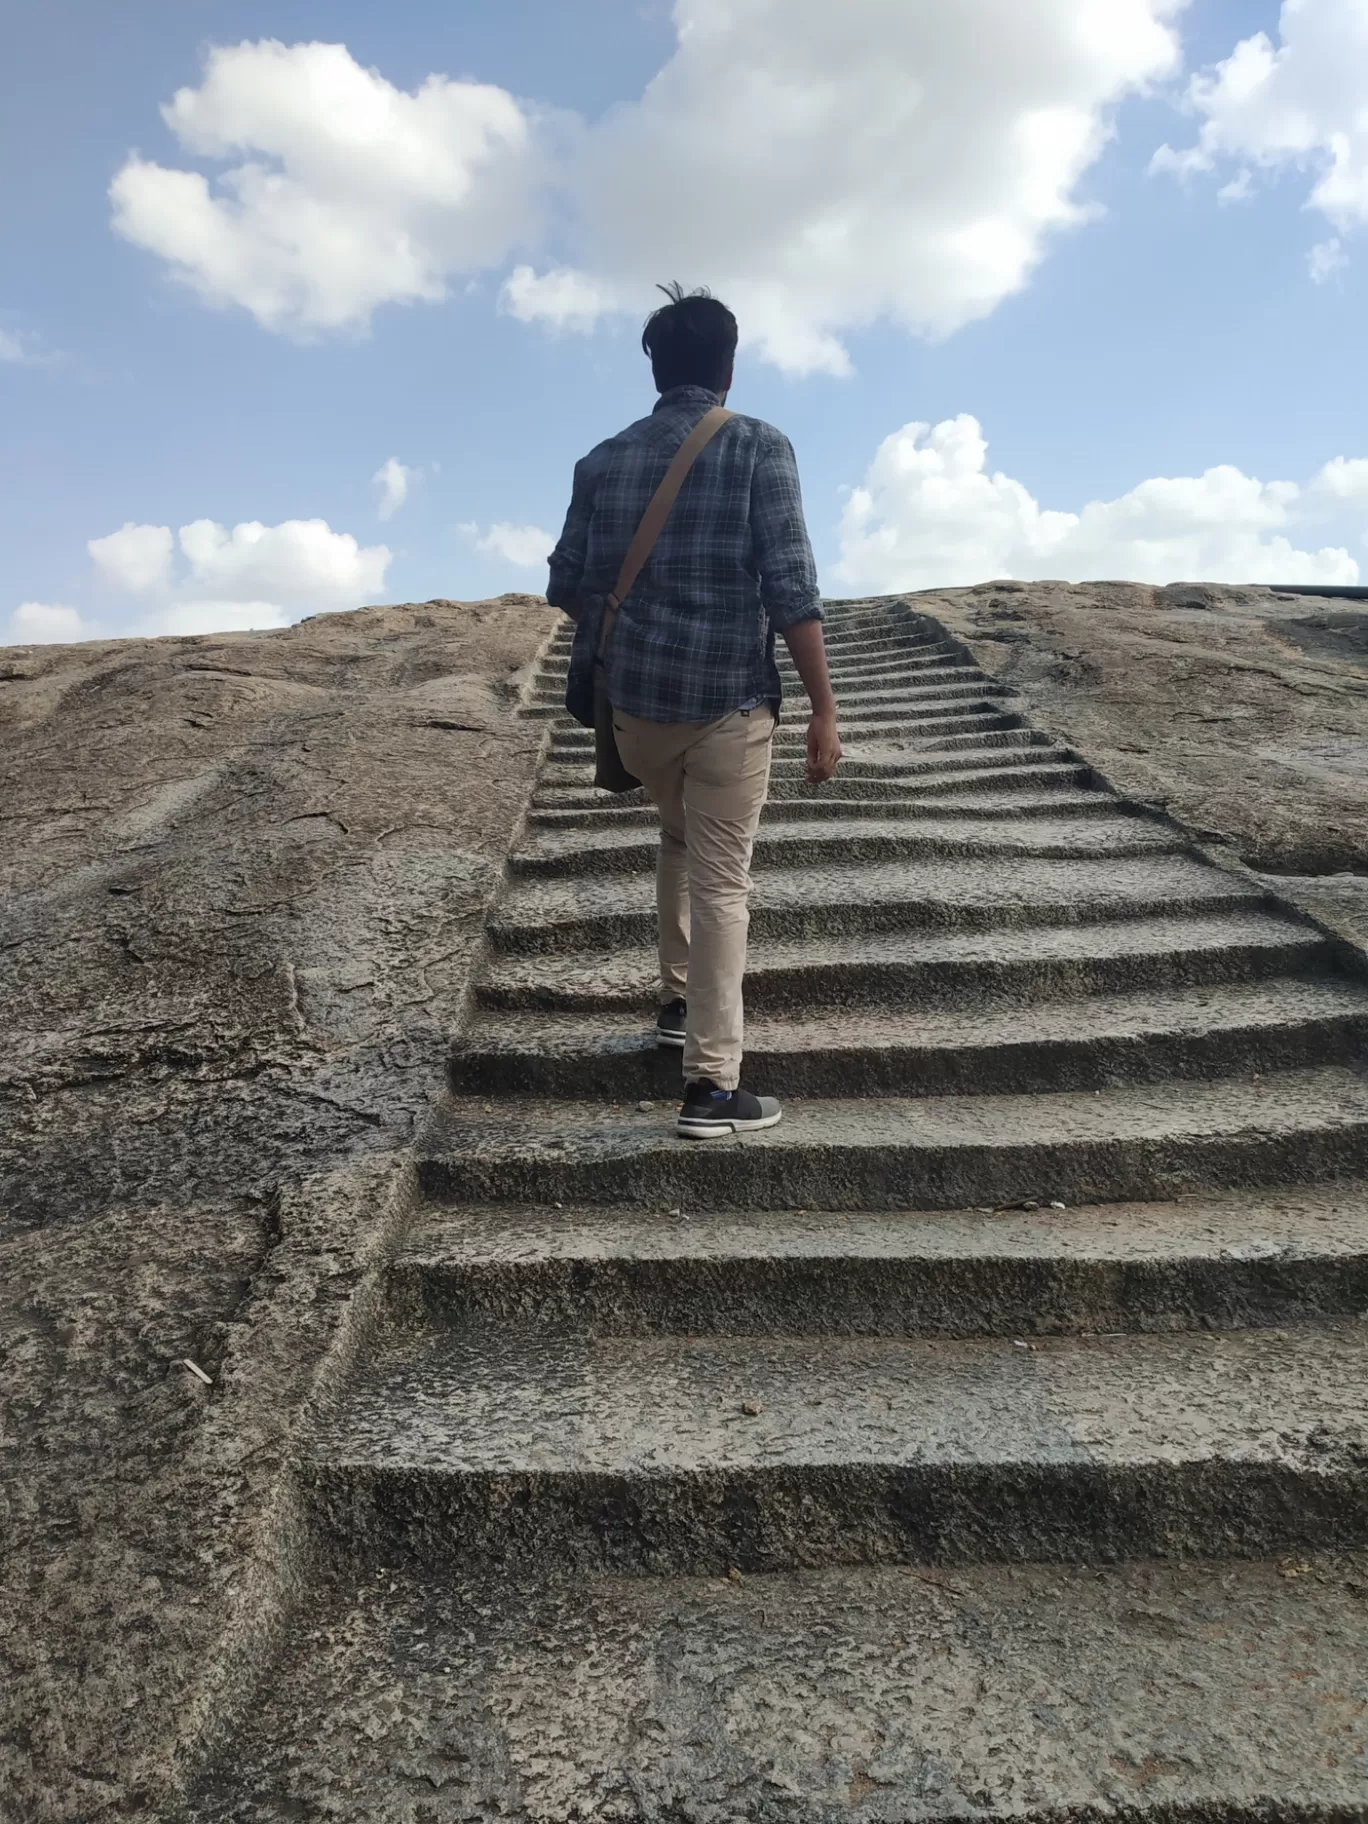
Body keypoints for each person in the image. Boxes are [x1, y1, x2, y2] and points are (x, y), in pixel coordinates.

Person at [547, 283, 841, 1140]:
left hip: (637, 713)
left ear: (654, 365)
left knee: (680, 835)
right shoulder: (758, 445)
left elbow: (567, 582)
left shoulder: (601, 460)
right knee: (723, 879)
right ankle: (712, 1086)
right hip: (727, 704)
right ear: (729, 365)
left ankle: (678, 999)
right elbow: (791, 587)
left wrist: (639, 614)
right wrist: (824, 708)